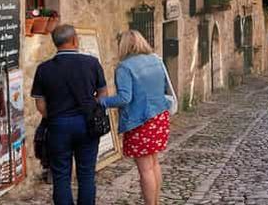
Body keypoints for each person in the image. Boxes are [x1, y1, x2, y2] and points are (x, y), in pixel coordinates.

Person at [32, 25, 108, 205]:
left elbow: (40, 104)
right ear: (75, 40)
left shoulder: (44, 69)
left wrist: (56, 116)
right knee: (87, 174)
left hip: (58, 126)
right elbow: (103, 93)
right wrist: (93, 107)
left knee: (61, 175)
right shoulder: (92, 63)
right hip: (87, 123)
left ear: (55, 43)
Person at [100, 30, 171, 205]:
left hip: (141, 121)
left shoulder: (125, 67)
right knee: (154, 164)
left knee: (145, 169)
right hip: (160, 116)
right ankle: (155, 202)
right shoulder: (156, 60)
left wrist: (102, 101)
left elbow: (125, 98)